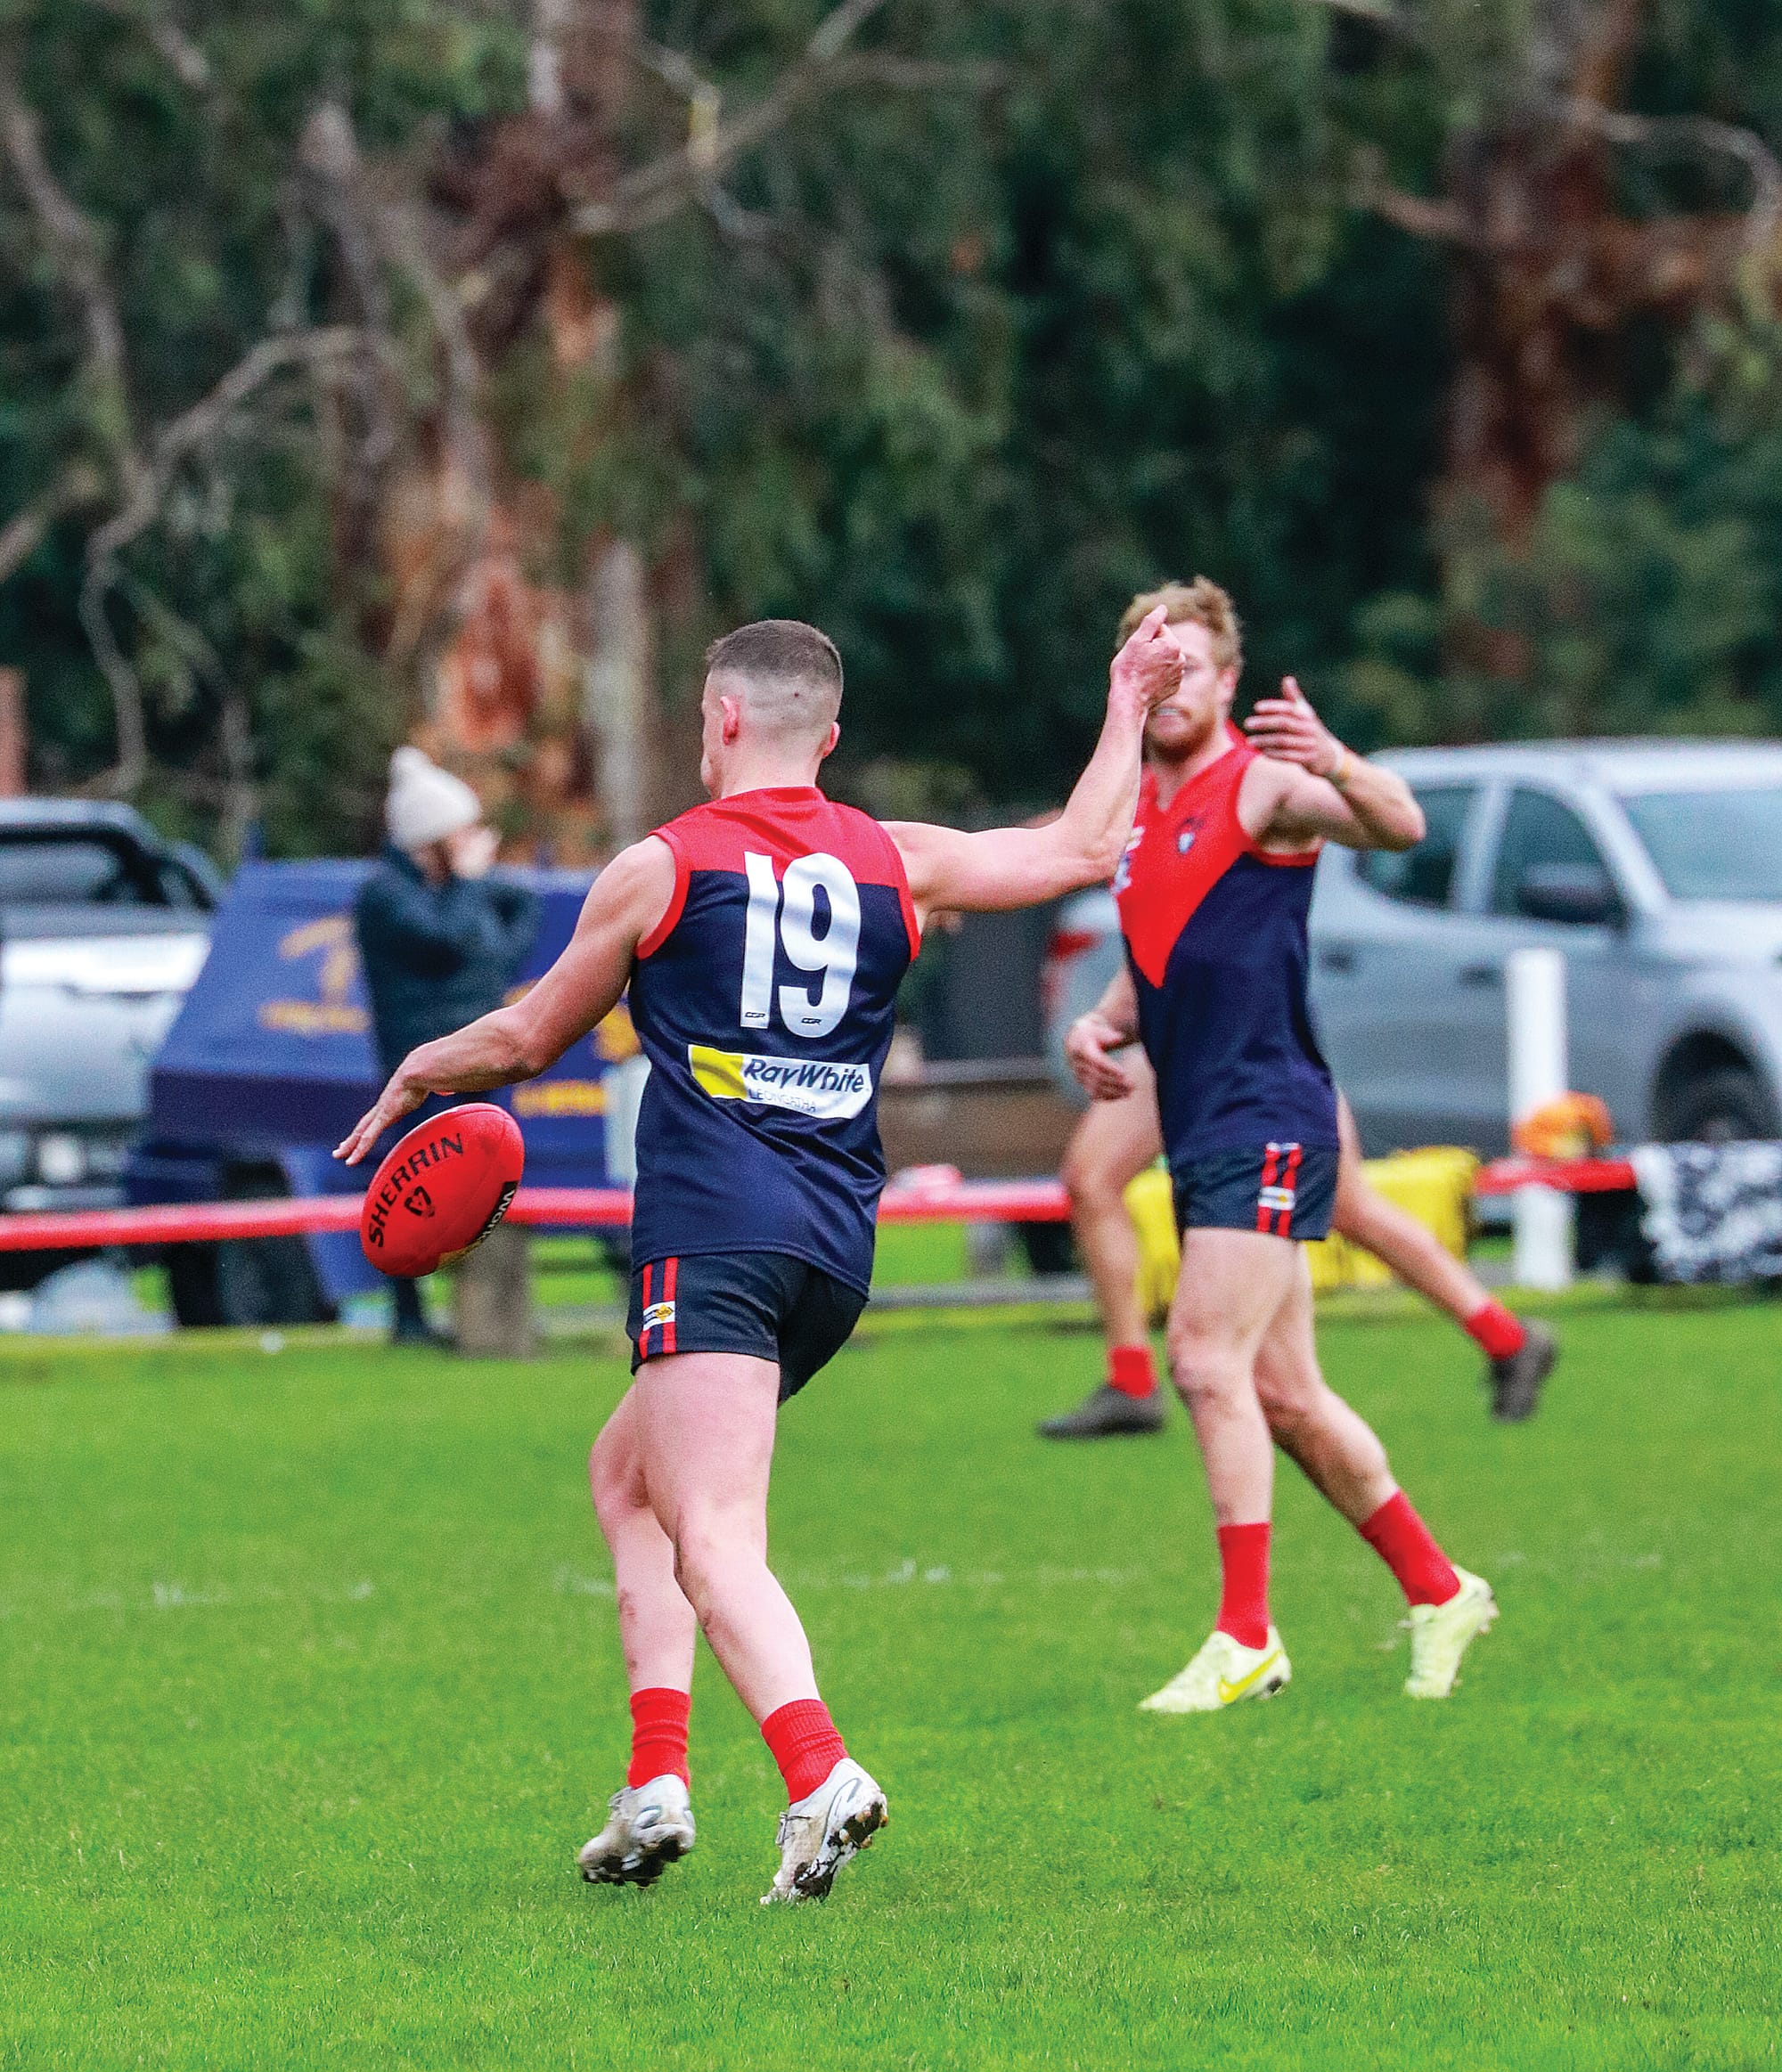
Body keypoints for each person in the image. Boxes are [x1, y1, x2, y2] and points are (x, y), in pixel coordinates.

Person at [338, 611, 1187, 1902]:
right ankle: (656, 1784)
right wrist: (1124, 701)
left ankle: (820, 1772)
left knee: (713, 1530)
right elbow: (1084, 845)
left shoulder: (661, 865)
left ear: (722, 720)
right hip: (835, 1247)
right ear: (828, 739)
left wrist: (417, 1068)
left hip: (713, 1228)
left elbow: (523, 1040)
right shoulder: (898, 856)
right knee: (625, 1476)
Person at [1062, 578, 1498, 1711]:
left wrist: (1339, 760)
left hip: (1269, 1115)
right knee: (1288, 1397)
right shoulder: (1141, 814)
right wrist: (1102, 1022)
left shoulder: (1258, 788)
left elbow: (1397, 824)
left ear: (1226, 683)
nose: (1170, 687)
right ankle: (1439, 1589)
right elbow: (1162, 935)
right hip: (1203, 1118)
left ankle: (1245, 1636)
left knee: (1204, 1361)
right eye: (1150, 666)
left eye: (1190, 667)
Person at [1038, 1071, 1557, 1438]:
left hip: (1232, 1038)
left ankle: (1507, 1339)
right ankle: (1507, 1339)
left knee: (1344, 1207)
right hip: (1210, 1033)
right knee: (1092, 1180)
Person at [353, 747, 539, 1345]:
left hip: (482, 1064)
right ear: (431, 839)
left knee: (486, 1186)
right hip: (421, 1069)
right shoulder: (384, 896)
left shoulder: (460, 889)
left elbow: (519, 909)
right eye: (459, 834)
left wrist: (495, 961)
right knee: (412, 1186)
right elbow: (444, 938)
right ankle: (408, 1318)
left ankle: (486, 1323)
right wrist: (466, 883)